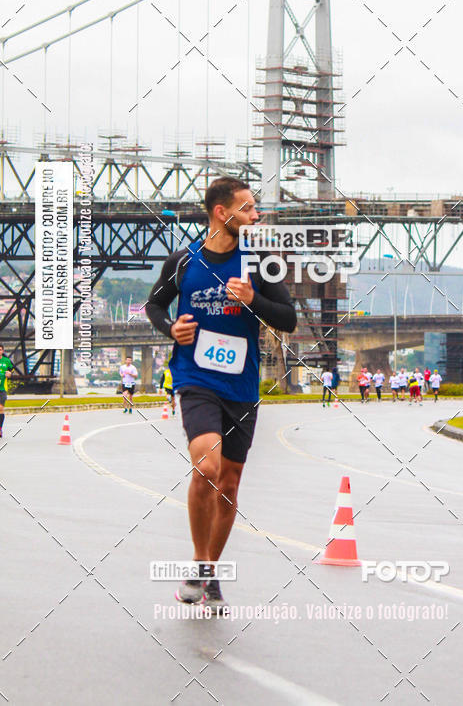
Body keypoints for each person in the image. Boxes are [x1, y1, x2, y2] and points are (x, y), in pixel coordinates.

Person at [146, 176, 296, 614]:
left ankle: (210, 572)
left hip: (241, 386)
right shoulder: (183, 261)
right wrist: (170, 328)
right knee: (207, 467)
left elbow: (288, 319)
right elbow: (154, 305)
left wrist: (253, 301)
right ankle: (199, 564)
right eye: (247, 208)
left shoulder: (261, 263)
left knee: (228, 482)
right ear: (221, 212)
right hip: (196, 378)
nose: (256, 215)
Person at [0, 345, 15, 438]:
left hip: (2, 389)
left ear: (2, 351)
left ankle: (0, 428)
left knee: (1, 408)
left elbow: (11, 370)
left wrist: (10, 373)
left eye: (0, 350)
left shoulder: (6, 361)